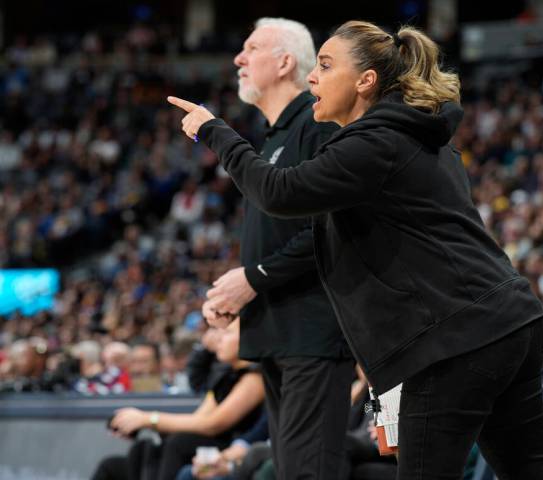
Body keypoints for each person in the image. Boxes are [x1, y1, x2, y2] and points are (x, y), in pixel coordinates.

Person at [169, 20, 543, 480]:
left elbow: (279, 192)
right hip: (505, 320)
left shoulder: (374, 142)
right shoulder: (409, 137)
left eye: (325, 64)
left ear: (365, 80)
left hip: (454, 337)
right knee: (533, 472)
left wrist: (214, 132)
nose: (312, 76)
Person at [199, 18, 354, 480]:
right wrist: (244, 295)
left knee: (308, 474)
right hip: (277, 332)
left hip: (315, 333)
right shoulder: (273, 137)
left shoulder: (317, 122)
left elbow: (333, 231)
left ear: (285, 62)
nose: (238, 59)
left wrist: (253, 279)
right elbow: (280, 242)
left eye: (251, 48)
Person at [92, 321, 265, 480]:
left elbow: (213, 424)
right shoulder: (226, 376)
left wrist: (148, 419)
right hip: (212, 444)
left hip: (233, 451)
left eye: (226, 333)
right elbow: (199, 418)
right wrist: (145, 424)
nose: (217, 338)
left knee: (178, 442)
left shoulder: (254, 379)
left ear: (248, 338)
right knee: (143, 447)